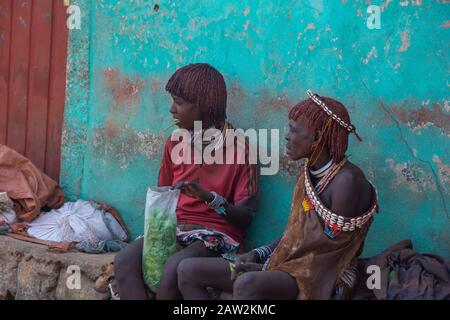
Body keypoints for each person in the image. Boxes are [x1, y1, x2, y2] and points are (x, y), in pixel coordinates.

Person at [176, 90, 379, 300]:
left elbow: (330, 252)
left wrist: (267, 268)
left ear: (317, 137)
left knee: (246, 284)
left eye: (293, 130)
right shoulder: (309, 172)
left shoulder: (347, 181)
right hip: (288, 265)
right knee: (187, 271)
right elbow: (297, 233)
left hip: (319, 275)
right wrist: (258, 254)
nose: (287, 136)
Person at [113, 63, 259, 300]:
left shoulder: (242, 149)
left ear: (202, 107)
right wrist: (156, 232)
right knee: (124, 260)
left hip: (217, 233)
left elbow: (245, 218)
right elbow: (164, 197)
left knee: (174, 266)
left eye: (178, 102)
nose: (172, 110)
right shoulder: (175, 142)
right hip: (176, 228)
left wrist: (208, 198)